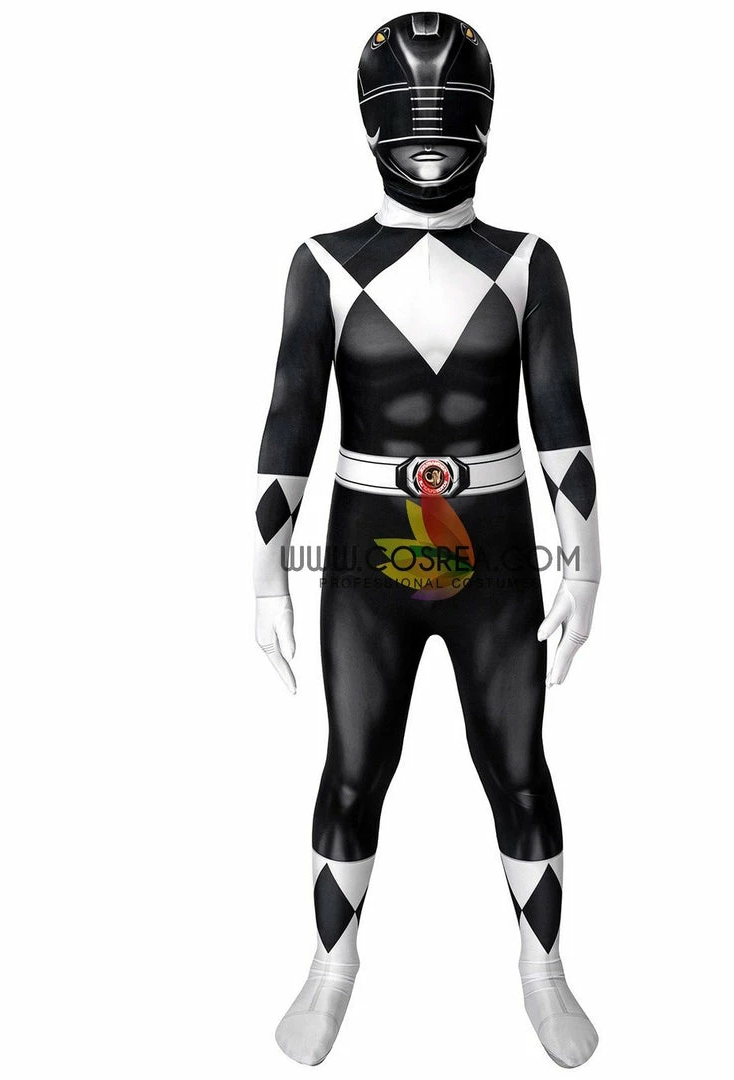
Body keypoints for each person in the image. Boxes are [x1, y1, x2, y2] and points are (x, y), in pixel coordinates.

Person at [254, 12, 602, 1067]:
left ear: (483, 127)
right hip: (366, 555)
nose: (430, 154)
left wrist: (586, 564)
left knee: (519, 769)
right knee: (353, 768)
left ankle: (543, 970)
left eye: (447, 134)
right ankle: (331, 968)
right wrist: (266, 576)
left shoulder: (528, 263)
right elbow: (288, 423)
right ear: (372, 130)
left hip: (497, 555)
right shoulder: (322, 263)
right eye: (412, 135)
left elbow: (562, 425)